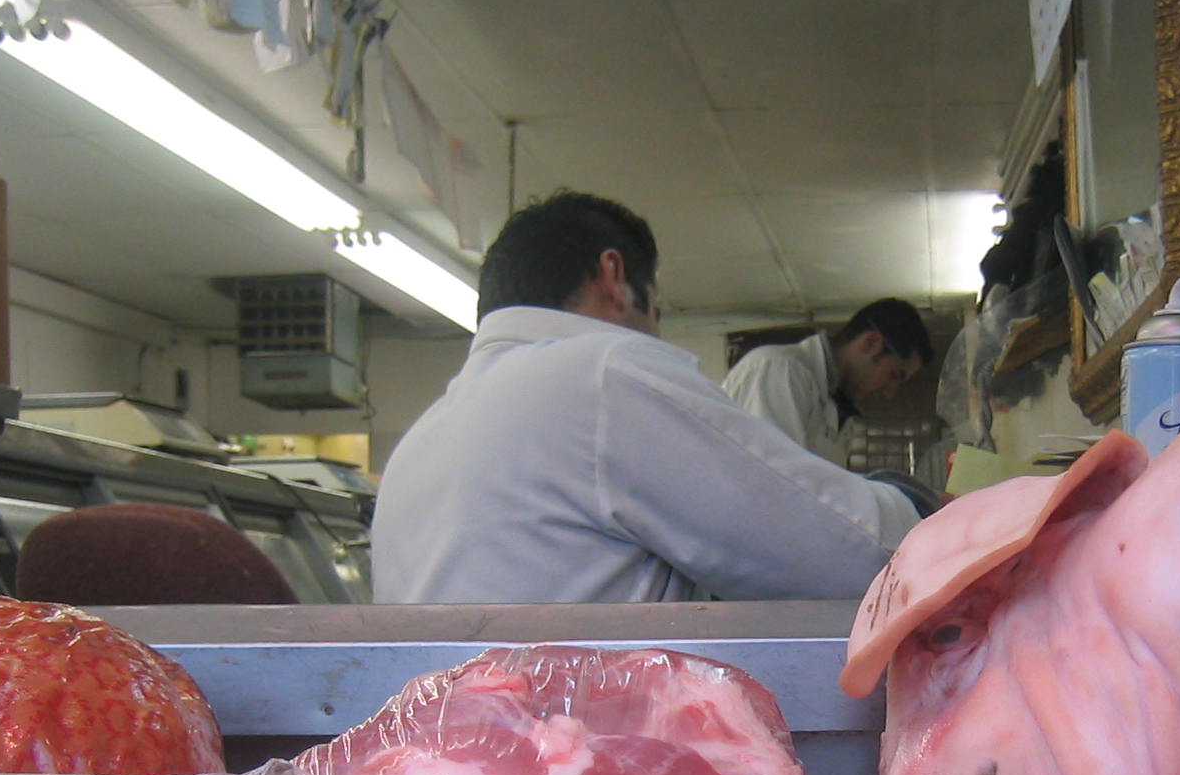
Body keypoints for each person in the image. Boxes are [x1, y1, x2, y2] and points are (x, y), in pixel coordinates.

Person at [370, 190, 926, 605]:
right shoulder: (600, 375)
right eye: (657, 308)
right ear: (615, 277)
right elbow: (850, 555)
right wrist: (929, 511)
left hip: (445, 755)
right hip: (579, 752)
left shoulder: (421, 442)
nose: (654, 331)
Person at [722, 298, 933, 467]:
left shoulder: (836, 406)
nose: (889, 393)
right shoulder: (781, 369)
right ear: (871, 344)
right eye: (894, 376)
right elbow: (772, 478)